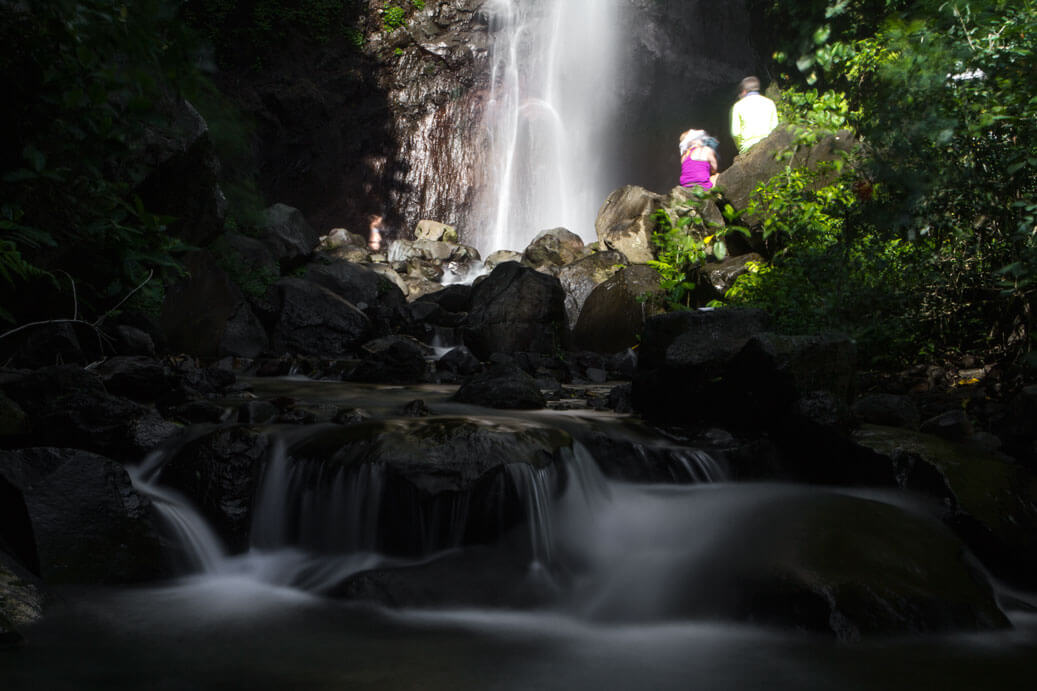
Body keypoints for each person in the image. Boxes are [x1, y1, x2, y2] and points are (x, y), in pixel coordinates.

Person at [730, 76, 778, 154]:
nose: (739, 96)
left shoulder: (738, 106)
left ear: (744, 91)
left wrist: (741, 147)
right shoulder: (769, 102)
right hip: (769, 143)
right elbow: (775, 126)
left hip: (748, 146)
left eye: (740, 92)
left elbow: (735, 132)